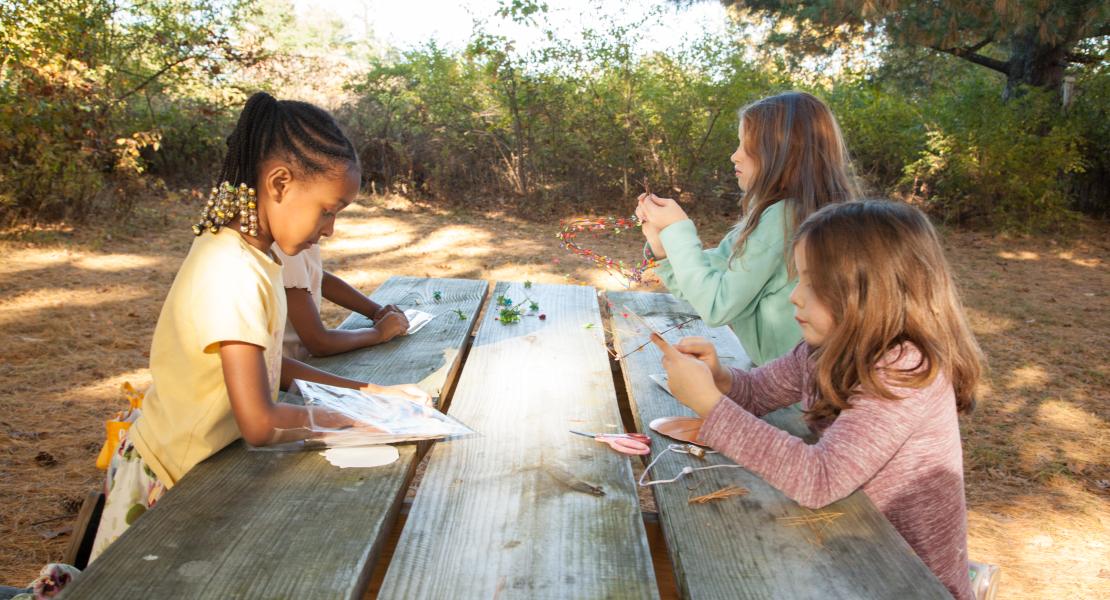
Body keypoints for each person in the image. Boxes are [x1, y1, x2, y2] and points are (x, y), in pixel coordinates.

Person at [88, 92, 430, 561]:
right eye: (329, 209)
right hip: (169, 483)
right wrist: (372, 420)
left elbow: (274, 365)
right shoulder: (234, 271)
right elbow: (260, 423)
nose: (330, 229)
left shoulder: (251, 256)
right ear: (280, 183)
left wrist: (370, 392)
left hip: (198, 466)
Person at [658, 201, 983, 599]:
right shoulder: (828, 348)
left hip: (906, 578)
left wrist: (710, 404)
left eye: (812, 283)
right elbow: (758, 391)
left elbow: (819, 478)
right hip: (845, 546)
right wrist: (720, 378)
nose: (795, 296)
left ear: (869, 292)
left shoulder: (904, 372)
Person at [637, 91, 859, 366]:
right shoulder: (782, 214)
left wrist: (678, 229)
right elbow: (702, 285)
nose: (734, 156)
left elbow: (715, 306)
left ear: (783, 153)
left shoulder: (784, 218)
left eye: (746, 145)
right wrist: (662, 245)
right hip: (781, 384)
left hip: (792, 400)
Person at [274, 243, 408, 361]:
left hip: (302, 364)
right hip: (286, 377)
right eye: (326, 214)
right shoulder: (285, 252)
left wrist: (376, 311)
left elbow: (319, 278)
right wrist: (378, 333)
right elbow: (319, 343)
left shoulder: (300, 241)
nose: (329, 230)